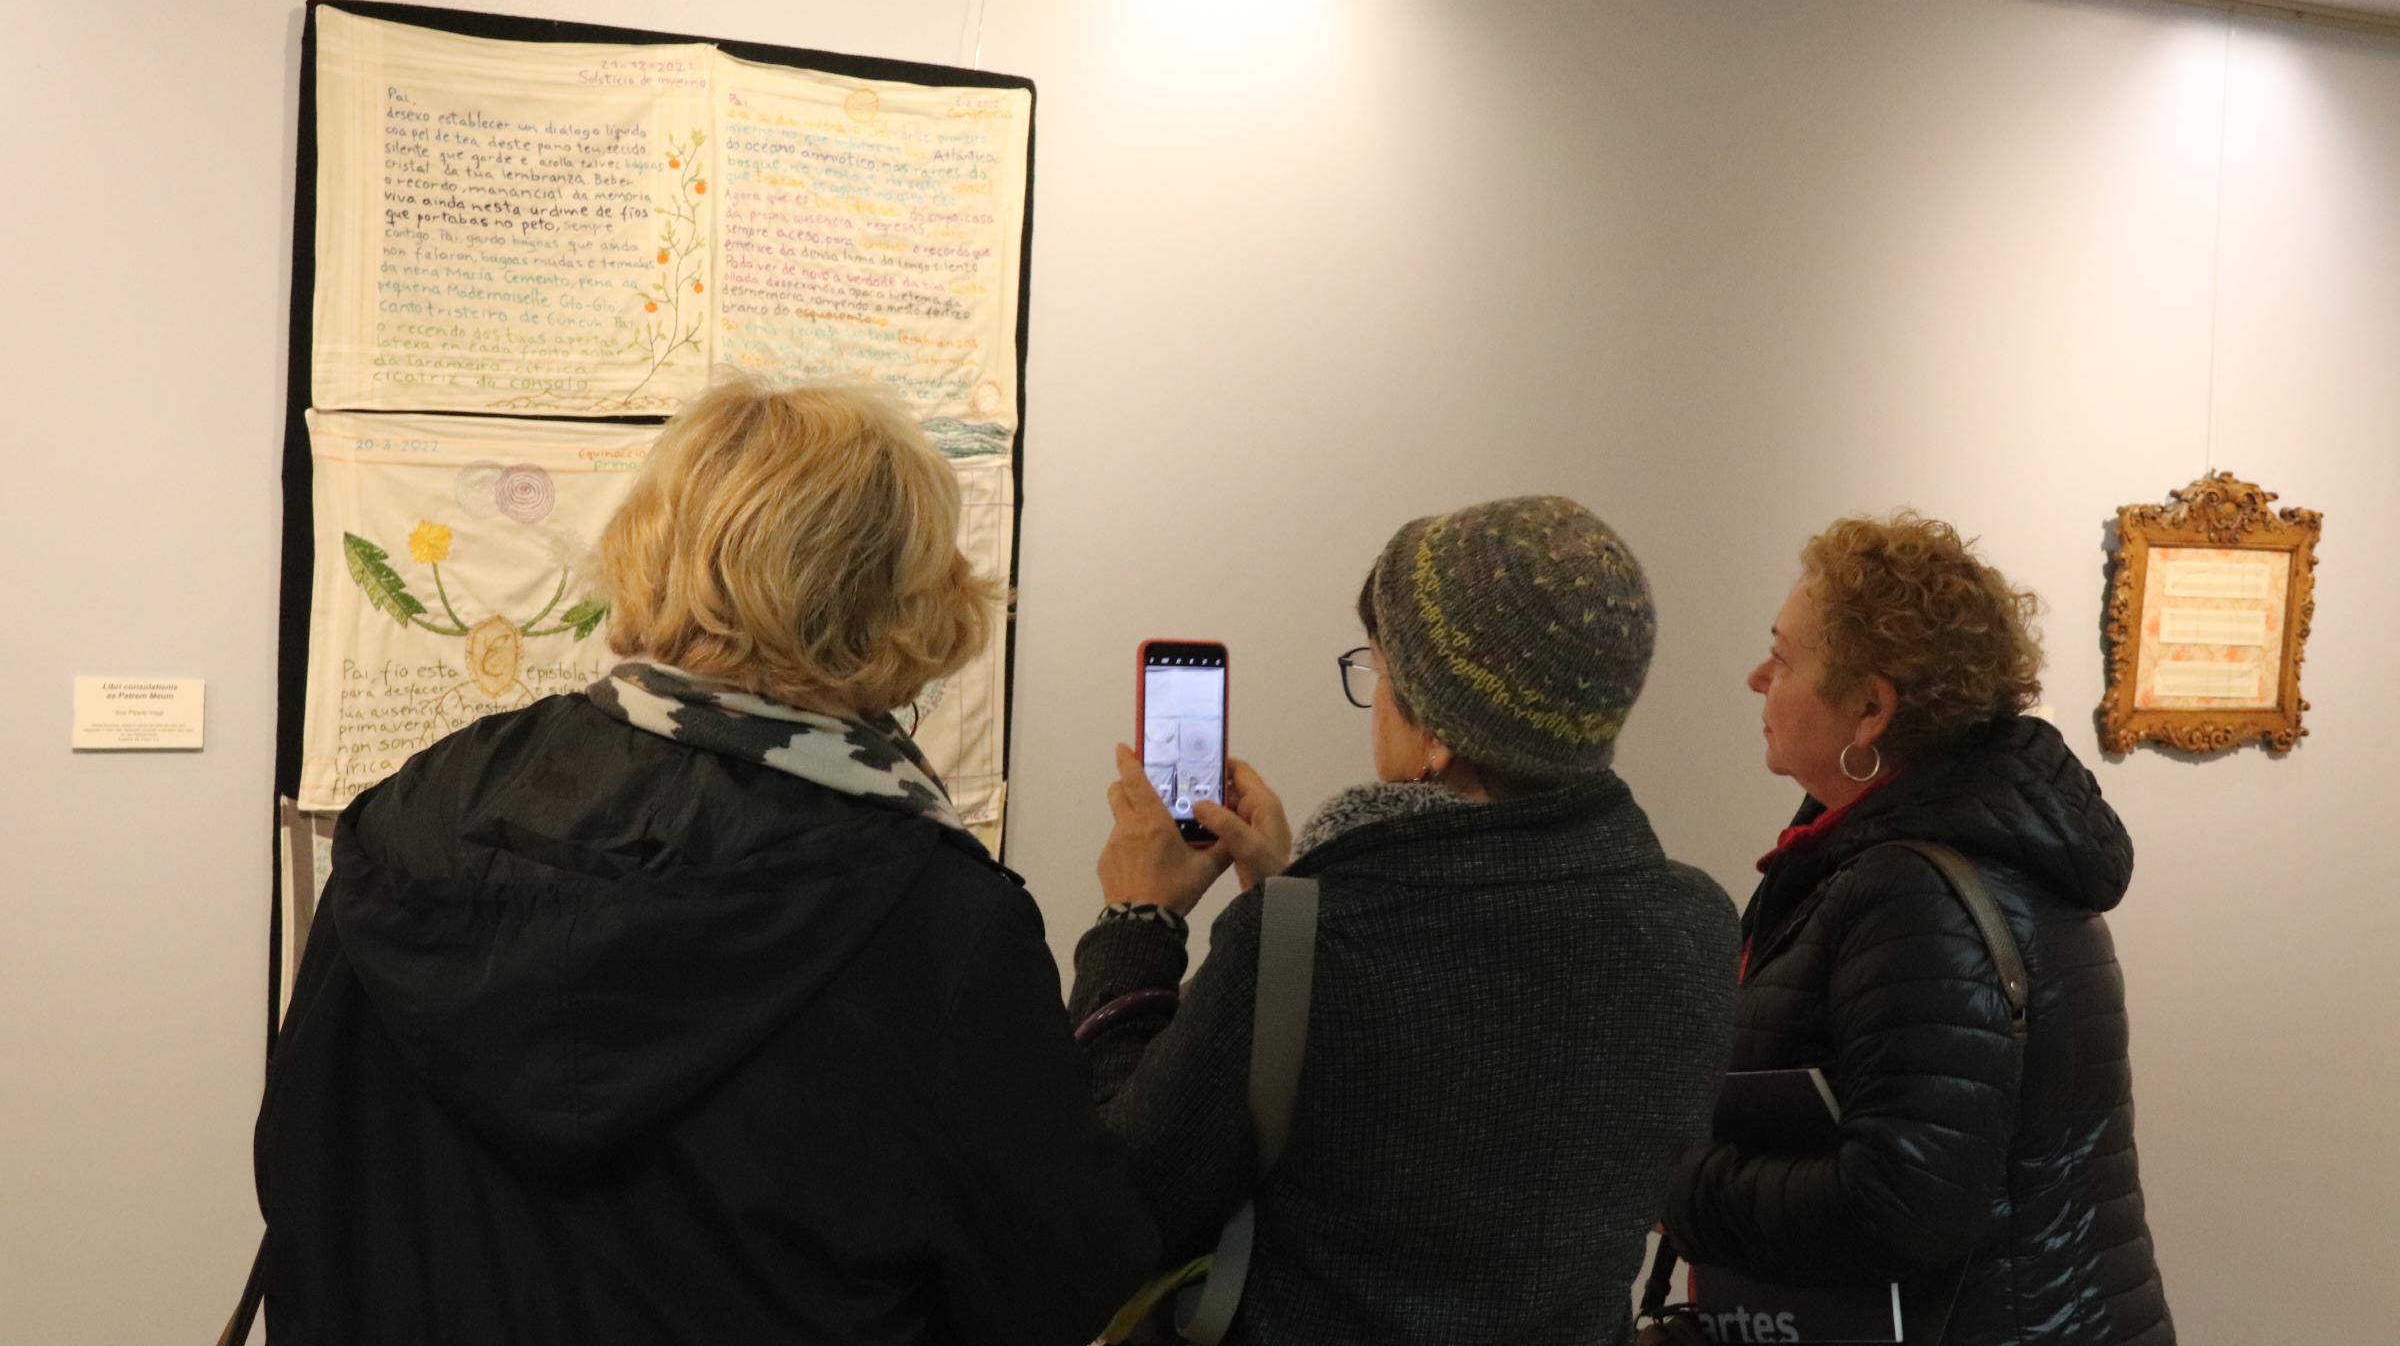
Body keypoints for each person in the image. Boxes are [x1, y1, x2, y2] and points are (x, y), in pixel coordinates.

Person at [255, 380, 1156, 1346]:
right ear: (909, 603)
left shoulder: (419, 810)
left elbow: (305, 1183)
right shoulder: (940, 925)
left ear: (646, 553)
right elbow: (1068, 1285)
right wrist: (1140, 941)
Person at [1070, 496, 1740, 1345]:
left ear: (1438, 735)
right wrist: (1289, 895)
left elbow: (1111, 1209)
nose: (1376, 698)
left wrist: (1138, 920)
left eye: (1379, 671)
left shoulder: (1320, 941)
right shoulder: (1697, 925)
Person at [1664, 513, 2174, 1346]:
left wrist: (1672, 1182)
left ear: (1871, 708)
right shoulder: (1907, 850)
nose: (1757, 677)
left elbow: (1902, 1203)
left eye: (1784, 658)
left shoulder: (1913, 891)